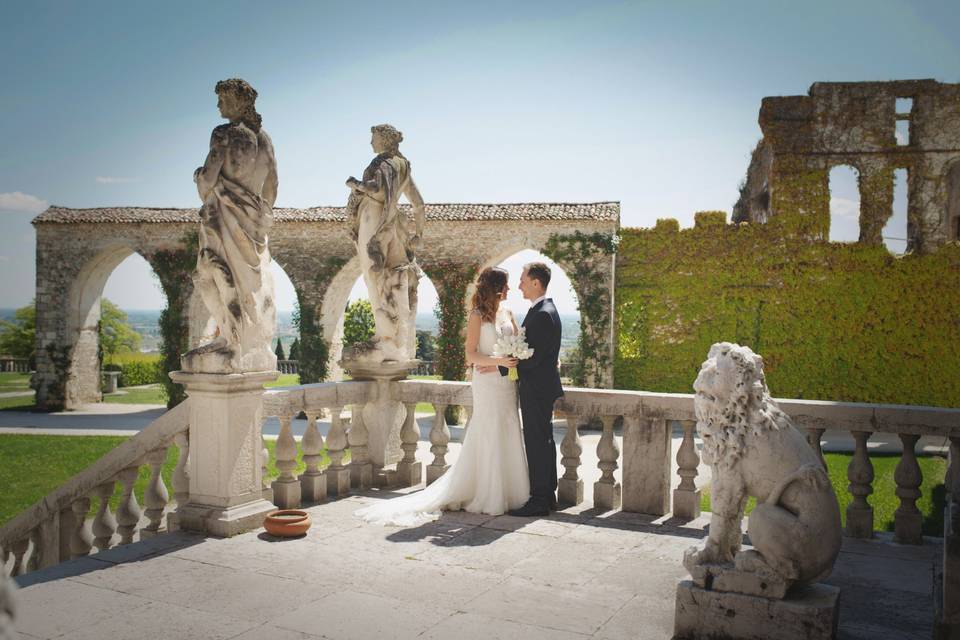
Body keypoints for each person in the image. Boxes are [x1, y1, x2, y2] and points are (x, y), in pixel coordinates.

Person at [355, 267, 529, 526]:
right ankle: (488, 494)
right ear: (496, 287)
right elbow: (470, 355)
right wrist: (498, 361)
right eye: (506, 284)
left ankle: (512, 493)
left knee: (509, 428)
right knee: (489, 430)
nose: (510, 289)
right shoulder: (477, 316)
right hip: (487, 384)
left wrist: (509, 359)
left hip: (506, 384)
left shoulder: (509, 313)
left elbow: (515, 348)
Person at [185, 78, 278, 373]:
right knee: (246, 282)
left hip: (223, 216)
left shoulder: (223, 134)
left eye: (222, 100)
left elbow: (207, 181)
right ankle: (243, 339)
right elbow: (272, 184)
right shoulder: (264, 139)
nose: (218, 105)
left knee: (209, 274)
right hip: (253, 221)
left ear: (238, 102)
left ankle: (230, 337)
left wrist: (199, 175)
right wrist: (262, 214)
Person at [344, 124, 425, 364]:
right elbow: (419, 203)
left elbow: (378, 191)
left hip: (374, 219)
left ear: (385, 140)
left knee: (373, 275)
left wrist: (355, 184)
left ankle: (385, 337)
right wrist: (418, 232)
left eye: (374, 138)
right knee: (383, 276)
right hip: (391, 223)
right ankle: (389, 336)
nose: (371, 143)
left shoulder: (385, 163)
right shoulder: (403, 166)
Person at [508, 262, 564, 517]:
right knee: (544, 440)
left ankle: (540, 499)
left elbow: (534, 358)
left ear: (535, 283)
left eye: (522, 279)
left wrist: (504, 365)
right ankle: (547, 495)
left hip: (537, 389)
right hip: (540, 387)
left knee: (537, 441)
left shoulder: (542, 313)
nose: (519, 284)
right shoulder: (542, 309)